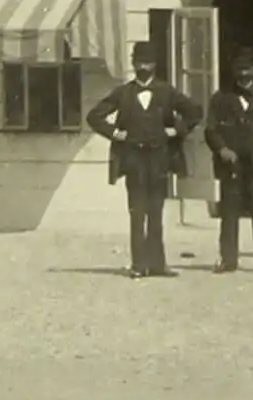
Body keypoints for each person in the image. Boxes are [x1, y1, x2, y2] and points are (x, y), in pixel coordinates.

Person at [85, 41, 198, 278]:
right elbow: (94, 116)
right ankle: (139, 265)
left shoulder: (167, 91)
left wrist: (176, 130)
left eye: (147, 62)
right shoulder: (123, 93)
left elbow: (194, 111)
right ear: (133, 64)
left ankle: (157, 264)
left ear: (155, 64)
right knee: (137, 213)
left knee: (156, 213)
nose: (143, 67)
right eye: (139, 62)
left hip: (159, 160)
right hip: (133, 161)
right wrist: (116, 133)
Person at [204, 61, 253, 275]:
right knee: (229, 213)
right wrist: (222, 149)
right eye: (240, 69)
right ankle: (228, 260)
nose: (243, 73)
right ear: (234, 71)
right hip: (232, 165)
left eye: (247, 69)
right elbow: (210, 130)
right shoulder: (221, 97)